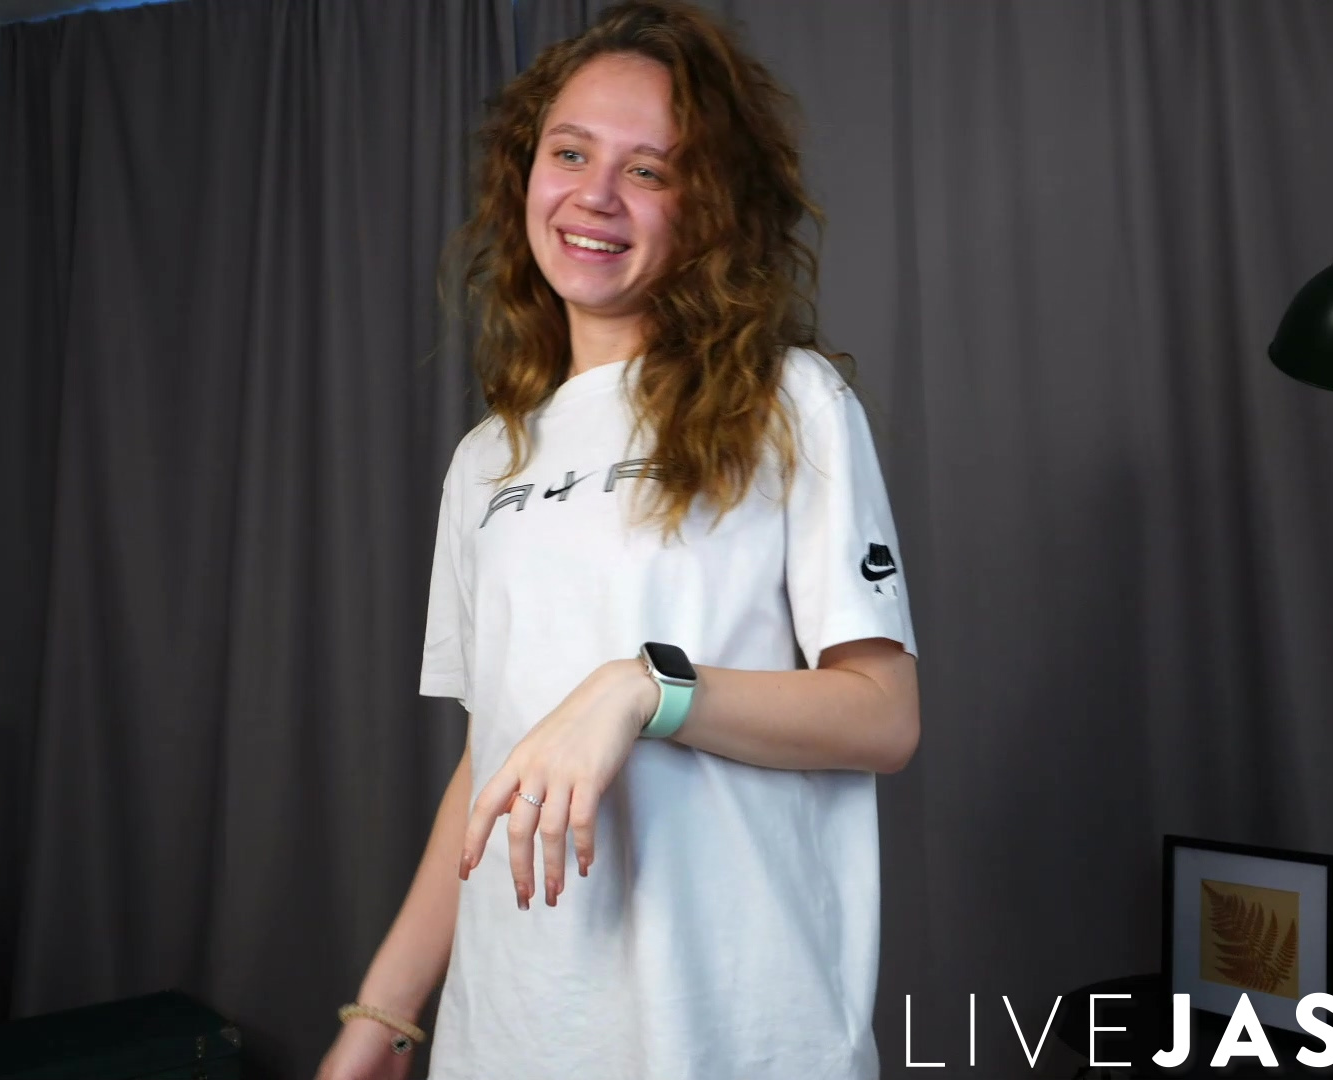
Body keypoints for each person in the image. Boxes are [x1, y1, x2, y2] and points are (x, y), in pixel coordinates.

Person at [315, 3, 918, 1077]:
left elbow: (882, 716)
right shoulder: (486, 460)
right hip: (510, 1034)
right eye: (570, 153)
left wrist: (645, 688)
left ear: (710, 206)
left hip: (730, 1035)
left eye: (648, 170)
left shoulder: (790, 404)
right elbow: (496, 758)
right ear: (525, 174)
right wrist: (385, 1012)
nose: (595, 194)